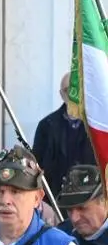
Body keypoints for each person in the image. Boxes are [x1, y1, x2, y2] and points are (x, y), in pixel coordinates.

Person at [33, 73, 95, 202]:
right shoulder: (46, 125)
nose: (73, 94)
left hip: (91, 198)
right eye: (68, 90)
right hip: (56, 199)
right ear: (62, 94)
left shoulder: (99, 124)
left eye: (76, 89)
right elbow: (36, 166)